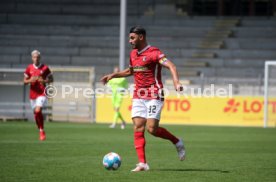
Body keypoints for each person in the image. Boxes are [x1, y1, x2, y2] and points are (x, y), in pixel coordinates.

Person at [101, 26, 185, 172]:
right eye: (129, 38)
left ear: (141, 37)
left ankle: (176, 141)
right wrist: (113, 75)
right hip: (138, 95)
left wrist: (176, 82)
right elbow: (130, 71)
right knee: (138, 127)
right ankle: (143, 164)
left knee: (152, 129)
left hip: (154, 94)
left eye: (132, 38)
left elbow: (171, 65)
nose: (130, 41)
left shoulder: (154, 53)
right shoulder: (133, 54)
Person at [23, 50, 53, 141]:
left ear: (40, 58)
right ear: (32, 58)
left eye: (37, 57)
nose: (36, 59)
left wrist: (44, 81)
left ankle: (41, 131)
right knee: (36, 114)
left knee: (38, 109)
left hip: (42, 93)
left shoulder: (45, 68)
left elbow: (51, 79)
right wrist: (30, 80)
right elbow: (24, 81)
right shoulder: (29, 68)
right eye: (34, 57)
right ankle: (40, 129)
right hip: (33, 94)